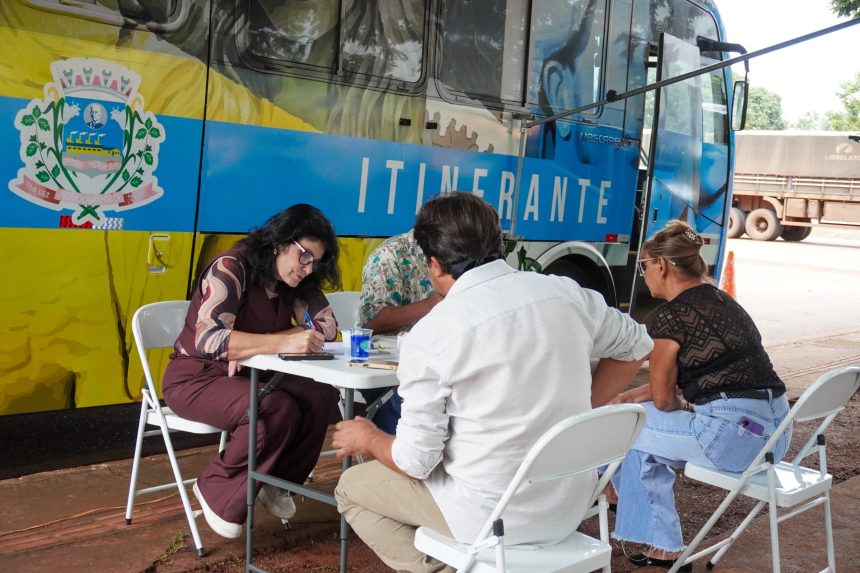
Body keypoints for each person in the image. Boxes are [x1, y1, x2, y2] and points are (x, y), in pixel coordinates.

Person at [332, 193, 653, 573]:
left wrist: (367, 437)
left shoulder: (435, 332)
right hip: (570, 506)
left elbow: (416, 462)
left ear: (434, 265)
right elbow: (637, 345)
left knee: (351, 487)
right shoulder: (566, 293)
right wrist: (582, 408)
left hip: (489, 518)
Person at [609, 220, 791, 570]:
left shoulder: (670, 318)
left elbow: (665, 400)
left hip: (732, 440)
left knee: (626, 431)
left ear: (661, 265)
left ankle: (634, 515)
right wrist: (632, 397)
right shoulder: (724, 302)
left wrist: (675, 404)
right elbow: (702, 379)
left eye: (644, 265)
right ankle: (642, 522)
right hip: (777, 435)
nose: (643, 273)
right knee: (641, 424)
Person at [161, 204, 342, 539]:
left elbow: (327, 327)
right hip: (197, 377)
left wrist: (267, 341)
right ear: (280, 241)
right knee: (274, 408)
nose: (307, 268)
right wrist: (280, 342)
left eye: (316, 261)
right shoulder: (231, 267)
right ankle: (217, 487)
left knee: (322, 395)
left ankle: (277, 480)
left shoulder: (297, 280)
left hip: (252, 375)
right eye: (304, 255)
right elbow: (210, 340)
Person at [356, 229, 443, 433]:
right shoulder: (389, 255)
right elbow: (370, 323)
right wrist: (437, 303)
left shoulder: (461, 257)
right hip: (390, 368)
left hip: (440, 362)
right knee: (424, 422)